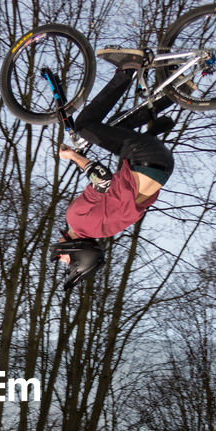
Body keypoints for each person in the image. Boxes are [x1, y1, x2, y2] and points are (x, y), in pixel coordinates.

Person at [51, 48, 176, 290]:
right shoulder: (77, 220)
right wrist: (72, 156)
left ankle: (172, 95)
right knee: (86, 125)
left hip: (160, 164)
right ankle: (128, 69)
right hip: (144, 157)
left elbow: (129, 192)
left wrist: (151, 134)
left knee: (117, 126)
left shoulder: (106, 228)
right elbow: (103, 181)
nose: (61, 258)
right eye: (67, 262)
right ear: (77, 252)